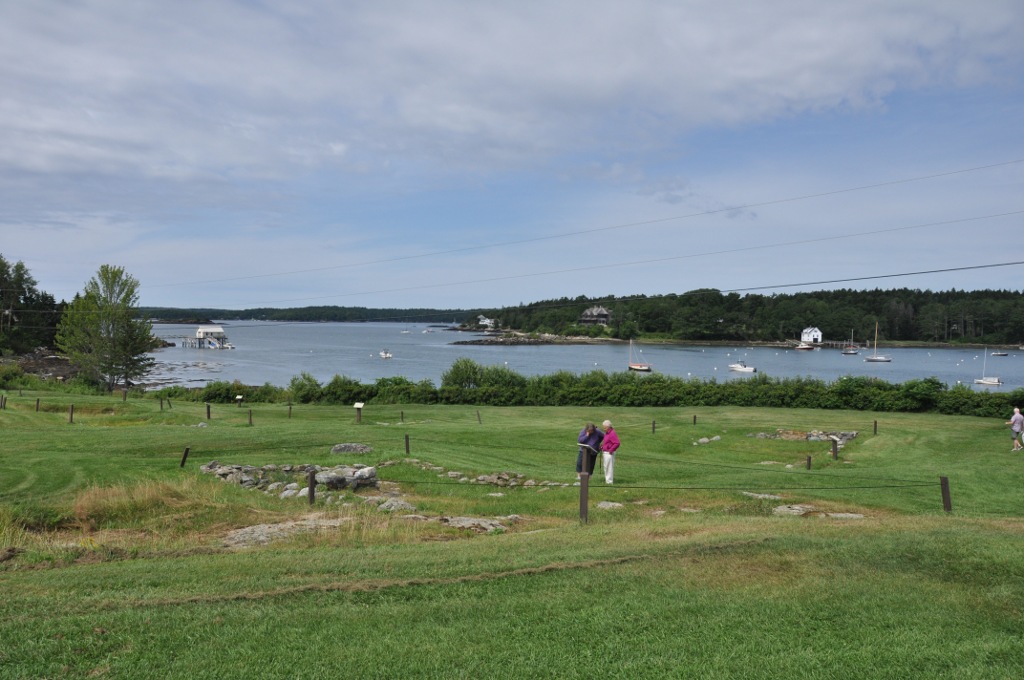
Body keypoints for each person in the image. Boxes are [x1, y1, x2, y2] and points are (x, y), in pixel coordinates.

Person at [600, 420, 620, 484]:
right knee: (606, 467)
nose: (604, 429)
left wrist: (611, 450)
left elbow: (617, 443)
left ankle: (609, 481)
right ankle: (607, 480)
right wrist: (603, 446)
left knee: (609, 468)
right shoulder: (607, 433)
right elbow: (607, 442)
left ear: (608, 427)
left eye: (605, 427)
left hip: (609, 453)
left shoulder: (612, 433)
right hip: (605, 452)